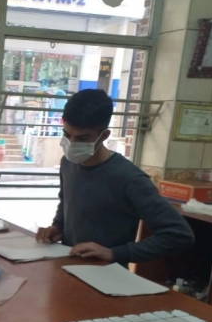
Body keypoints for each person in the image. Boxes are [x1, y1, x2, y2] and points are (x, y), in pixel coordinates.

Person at [36, 89, 194, 265]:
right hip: (67, 263)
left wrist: (115, 253)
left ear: (104, 135)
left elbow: (179, 234)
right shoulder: (68, 163)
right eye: (67, 135)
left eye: (83, 138)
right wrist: (57, 227)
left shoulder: (130, 179)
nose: (72, 144)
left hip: (107, 274)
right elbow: (67, 200)